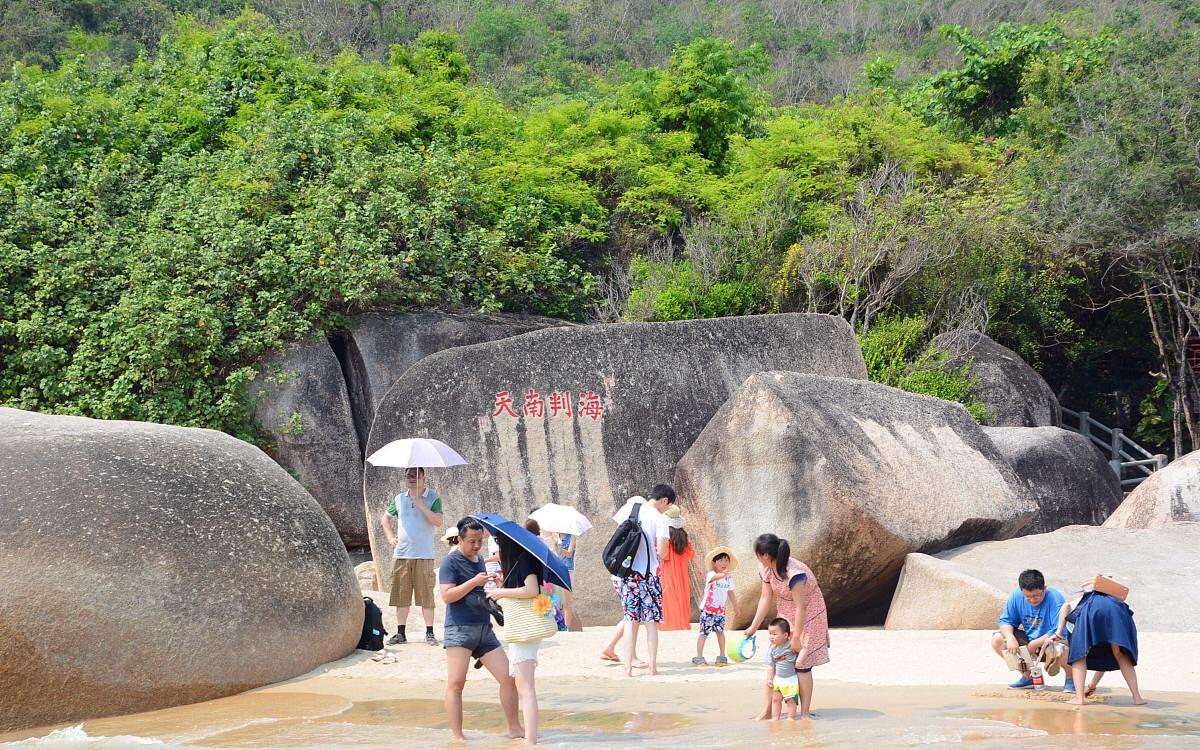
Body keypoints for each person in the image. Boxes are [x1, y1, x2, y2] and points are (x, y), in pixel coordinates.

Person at [439, 518, 522, 742]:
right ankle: (458, 737)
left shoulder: (479, 561)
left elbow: (479, 589)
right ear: (460, 539)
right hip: (459, 628)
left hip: (484, 628)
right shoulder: (450, 562)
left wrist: (493, 582)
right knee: (456, 683)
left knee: (508, 677)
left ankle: (515, 728)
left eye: (479, 541)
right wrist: (474, 582)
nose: (476, 546)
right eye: (472, 542)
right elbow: (447, 596)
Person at [744, 533, 829, 721]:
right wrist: (753, 626)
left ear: (766, 555)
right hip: (785, 612)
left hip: (809, 614)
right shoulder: (766, 569)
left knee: (802, 665)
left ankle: (805, 713)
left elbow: (802, 606)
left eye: (757, 554)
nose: (757, 558)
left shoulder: (794, 573)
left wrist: (796, 637)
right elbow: (765, 598)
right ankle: (767, 710)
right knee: (778, 661)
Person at [487, 519, 549, 745]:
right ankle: (529, 737)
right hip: (524, 628)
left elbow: (531, 590)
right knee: (524, 686)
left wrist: (502, 593)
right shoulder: (521, 561)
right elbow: (524, 588)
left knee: (526, 688)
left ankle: (530, 740)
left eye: (498, 542)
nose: (497, 547)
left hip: (525, 628)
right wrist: (503, 585)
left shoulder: (524, 560)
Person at [1051, 585, 1145, 706]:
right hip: (1117, 610)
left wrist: (1058, 632)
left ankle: (1079, 698)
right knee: (1120, 654)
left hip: (1089, 610)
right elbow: (1103, 664)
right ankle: (1137, 698)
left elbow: (1065, 606)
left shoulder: (1080, 602)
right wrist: (1092, 685)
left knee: (1079, 656)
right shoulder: (1110, 598)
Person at [381, 466, 443, 646]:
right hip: (401, 554)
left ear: (424, 478)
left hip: (424, 554)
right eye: (408, 475)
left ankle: (429, 633)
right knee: (401, 595)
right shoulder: (399, 499)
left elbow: (438, 522)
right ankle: (401, 633)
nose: (411, 478)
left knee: (426, 596)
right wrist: (390, 537)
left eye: (415, 475)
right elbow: (385, 518)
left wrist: (421, 505)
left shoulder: (433, 498)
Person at [616, 486, 674, 676]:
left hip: (626, 574)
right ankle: (652, 666)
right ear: (664, 500)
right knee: (650, 622)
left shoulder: (628, 509)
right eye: (668, 505)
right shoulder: (660, 518)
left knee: (630, 620)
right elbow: (662, 552)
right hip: (648, 576)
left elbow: (618, 540)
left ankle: (627, 668)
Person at [990, 569, 1071, 691]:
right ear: (1022, 591)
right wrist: (1010, 638)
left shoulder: (1055, 598)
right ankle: (1029, 676)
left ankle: (1071, 680)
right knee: (998, 639)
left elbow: (1059, 631)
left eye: (1037, 595)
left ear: (1044, 588)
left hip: (1052, 642)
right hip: (1029, 641)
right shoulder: (1016, 596)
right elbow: (1006, 621)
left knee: (1062, 649)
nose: (1033, 600)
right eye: (1028, 596)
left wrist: (1034, 644)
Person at [694, 546, 739, 667]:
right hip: (708, 610)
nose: (724, 563)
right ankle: (699, 657)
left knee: (720, 633)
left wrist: (736, 606)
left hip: (719, 611)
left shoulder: (728, 578)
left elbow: (731, 593)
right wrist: (722, 575)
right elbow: (714, 578)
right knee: (704, 633)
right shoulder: (711, 574)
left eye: (726, 560)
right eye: (720, 560)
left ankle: (722, 656)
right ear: (714, 563)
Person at [659, 506, 695, 631]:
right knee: (682, 595)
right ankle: (682, 623)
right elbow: (690, 554)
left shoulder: (666, 535)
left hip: (668, 570)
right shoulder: (683, 535)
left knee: (668, 596)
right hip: (682, 571)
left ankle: (668, 624)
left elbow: (662, 555)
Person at [764, 618, 801, 720]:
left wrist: (799, 660)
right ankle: (775, 718)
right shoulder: (772, 649)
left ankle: (791, 718)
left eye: (774, 634)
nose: (771, 637)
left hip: (791, 678)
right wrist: (769, 679)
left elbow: (804, 649)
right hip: (778, 679)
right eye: (770, 634)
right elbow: (771, 666)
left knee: (791, 700)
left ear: (785, 635)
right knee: (775, 699)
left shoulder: (790, 645)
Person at [547, 530, 576, 629]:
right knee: (554, 600)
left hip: (567, 570)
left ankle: (567, 628)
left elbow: (569, 554)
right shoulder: (553, 536)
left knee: (567, 602)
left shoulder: (571, 536)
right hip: (555, 570)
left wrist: (558, 547)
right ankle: (556, 625)